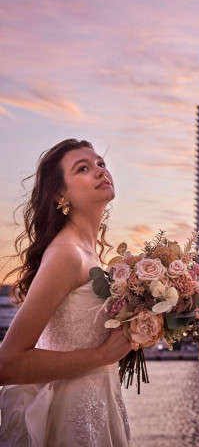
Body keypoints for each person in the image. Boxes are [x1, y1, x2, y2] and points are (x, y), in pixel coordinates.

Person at [0, 139, 135, 446]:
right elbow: (6, 364)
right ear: (61, 194)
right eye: (83, 168)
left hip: (103, 403)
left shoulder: (91, 255)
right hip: (72, 414)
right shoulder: (66, 253)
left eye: (100, 163)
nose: (100, 171)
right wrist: (103, 354)